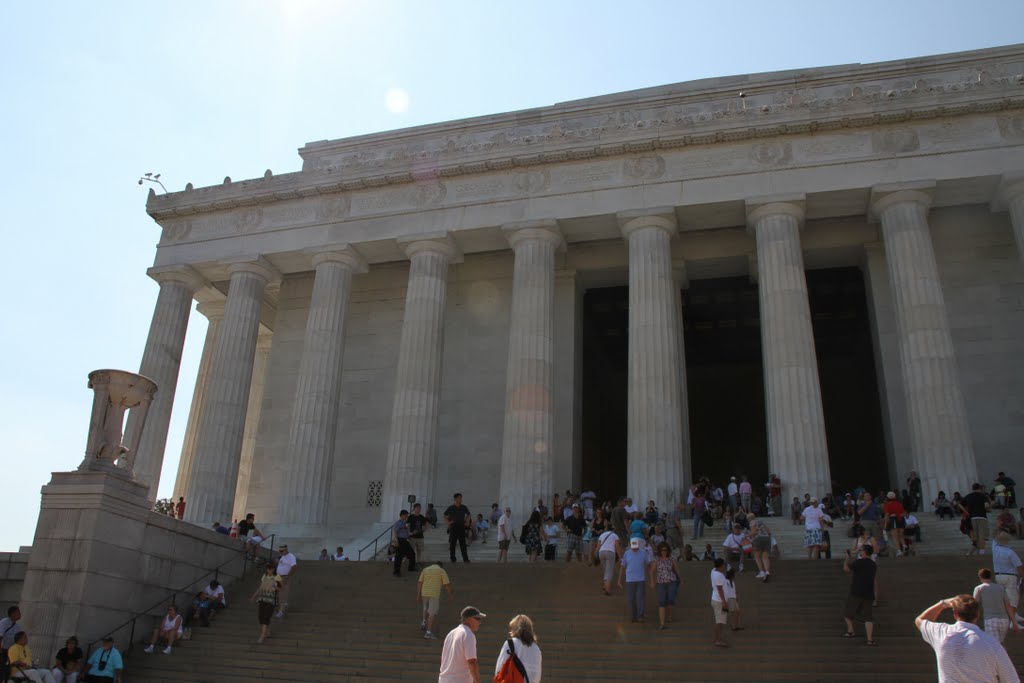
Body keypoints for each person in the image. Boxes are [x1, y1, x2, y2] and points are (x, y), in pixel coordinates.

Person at [915, 595, 1019, 683]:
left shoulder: (942, 633)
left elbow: (920, 620)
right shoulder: (992, 643)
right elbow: (1011, 679)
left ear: (955, 614)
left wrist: (943, 604)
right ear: (978, 615)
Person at [438, 606, 485, 683]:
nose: (480, 622)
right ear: (468, 619)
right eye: (477, 619)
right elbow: (472, 662)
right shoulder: (468, 634)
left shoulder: (451, 633)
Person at [842, 545, 877, 645]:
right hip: (869, 593)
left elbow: (846, 569)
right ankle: (870, 639)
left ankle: (850, 631)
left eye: (861, 550)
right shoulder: (873, 564)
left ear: (864, 552)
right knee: (868, 617)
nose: (859, 552)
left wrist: (847, 558)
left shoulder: (859, 562)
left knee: (847, 613)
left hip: (857, 592)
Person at [974, 568, 1018, 643]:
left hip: (990, 619)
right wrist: (1014, 622)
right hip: (1004, 620)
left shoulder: (979, 588)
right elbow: (1008, 605)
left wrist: (973, 621)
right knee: (999, 644)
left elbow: (974, 605)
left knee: (994, 645)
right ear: (990, 577)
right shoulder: (1000, 587)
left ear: (980, 577)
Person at [494, 614, 542, 683]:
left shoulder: (510, 643)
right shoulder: (536, 648)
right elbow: (538, 674)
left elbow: (500, 667)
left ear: (515, 628)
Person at [618, 538, 653, 623]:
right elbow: (622, 567)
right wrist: (619, 580)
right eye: (632, 545)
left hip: (640, 579)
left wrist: (652, 579)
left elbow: (649, 565)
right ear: (630, 544)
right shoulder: (627, 553)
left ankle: (640, 615)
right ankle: (633, 616)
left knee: (641, 598)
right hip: (630, 579)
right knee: (631, 599)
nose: (634, 547)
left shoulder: (643, 553)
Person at [418, 562, 454, 640]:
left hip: (424, 592)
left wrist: (418, 595)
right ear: (441, 566)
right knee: (432, 612)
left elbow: (420, 582)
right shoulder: (441, 571)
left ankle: (424, 621)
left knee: (425, 607)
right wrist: (450, 595)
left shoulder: (425, 569)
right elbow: (446, 584)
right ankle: (428, 632)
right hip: (434, 593)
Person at [992, 531, 1023, 620]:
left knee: (1003, 597)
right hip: (1010, 577)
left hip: (998, 576)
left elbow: (994, 537)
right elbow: (1019, 566)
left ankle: (1012, 615)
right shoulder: (1010, 552)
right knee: (1013, 598)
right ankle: (1012, 620)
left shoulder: (995, 548)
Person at [650, 542, 681, 630]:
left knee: (671, 600)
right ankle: (662, 623)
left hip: (672, 581)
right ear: (659, 550)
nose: (664, 552)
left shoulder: (672, 559)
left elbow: (676, 569)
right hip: (660, 583)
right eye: (662, 550)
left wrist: (681, 579)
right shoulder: (656, 560)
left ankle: (670, 615)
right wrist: (652, 582)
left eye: (666, 550)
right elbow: (652, 571)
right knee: (662, 602)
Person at [249, 564, 282, 644]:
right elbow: (260, 587)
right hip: (263, 599)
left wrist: (274, 586)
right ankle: (267, 631)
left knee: (266, 616)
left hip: (271, 600)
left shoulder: (277, 577)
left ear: (273, 569)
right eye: (267, 569)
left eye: (270, 569)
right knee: (261, 616)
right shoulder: (264, 576)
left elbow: (280, 588)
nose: (269, 571)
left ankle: (262, 635)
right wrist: (254, 596)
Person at [961, 483, 992, 555]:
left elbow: (960, 504)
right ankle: (981, 552)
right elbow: (986, 506)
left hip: (972, 518)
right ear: (979, 488)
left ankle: (976, 552)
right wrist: (991, 505)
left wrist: (966, 511)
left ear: (972, 488)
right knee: (982, 535)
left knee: (977, 536)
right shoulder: (983, 496)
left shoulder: (969, 496)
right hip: (982, 516)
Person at [444, 493, 472, 563]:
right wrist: (448, 523)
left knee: (463, 543)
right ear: (455, 499)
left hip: (461, 527)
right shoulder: (451, 508)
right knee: (452, 544)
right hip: (453, 527)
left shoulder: (464, 507)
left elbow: (469, 514)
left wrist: (467, 521)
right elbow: (445, 515)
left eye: (461, 498)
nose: (461, 499)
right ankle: (453, 559)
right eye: (459, 498)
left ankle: (465, 559)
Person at [710, 557, 729, 647]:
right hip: (719, 601)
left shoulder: (713, 571)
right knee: (719, 622)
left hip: (715, 599)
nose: (725, 567)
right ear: (721, 566)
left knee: (719, 621)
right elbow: (720, 589)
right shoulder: (719, 576)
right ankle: (718, 640)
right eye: (724, 565)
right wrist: (724, 602)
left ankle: (718, 639)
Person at [596, 526, 621, 596]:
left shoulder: (602, 535)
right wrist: (620, 557)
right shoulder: (615, 535)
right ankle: (608, 590)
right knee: (609, 571)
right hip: (610, 552)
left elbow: (598, 547)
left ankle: (605, 585)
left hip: (601, 552)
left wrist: (596, 555)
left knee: (605, 570)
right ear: (613, 530)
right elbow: (617, 546)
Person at [274, 544, 297, 618]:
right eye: (280, 551)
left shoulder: (291, 556)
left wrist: (288, 576)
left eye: (282, 551)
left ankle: (281, 611)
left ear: (286, 549)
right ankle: (284, 604)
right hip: (278, 577)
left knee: (282, 593)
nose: (280, 552)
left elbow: (294, 567)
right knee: (278, 592)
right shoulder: (282, 556)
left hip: (284, 576)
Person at [392, 509, 417, 577]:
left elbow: (406, 533)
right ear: (402, 515)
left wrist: (411, 533)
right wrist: (396, 541)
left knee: (412, 554)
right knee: (399, 557)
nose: (407, 516)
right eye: (406, 515)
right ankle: (396, 572)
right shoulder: (398, 523)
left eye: (407, 515)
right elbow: (395, 532)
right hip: (400, 541)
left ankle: (411, 568)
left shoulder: (404, 523)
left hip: (405, 541)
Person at [882, 491, 907, 557]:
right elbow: (904, 513)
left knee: (895, 537)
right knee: (901, 535)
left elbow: (887, 514)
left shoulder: (887, 504)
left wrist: (885, 524)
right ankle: (904, 545)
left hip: (893, 519)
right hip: (901, 519)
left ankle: (899, 551)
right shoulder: (899, 503)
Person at [748, 516, 772, 582]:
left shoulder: (752, 522)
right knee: (765, 557)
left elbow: (754, 532)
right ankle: (767, 572)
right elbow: (769, 531)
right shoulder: (762, 522)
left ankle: (761, 571)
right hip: (767, 538)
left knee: (757, 556)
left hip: (758, 539)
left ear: (749, 518)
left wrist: (746, 536)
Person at [724, 568, 743, 632]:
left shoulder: (732, 581)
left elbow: (733, 590)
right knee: (732, 612)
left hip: (733, 598)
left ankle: (736, 625)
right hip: (729, 598)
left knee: (737, 611)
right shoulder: (726, 581)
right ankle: (733, 626)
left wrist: (736, 596)